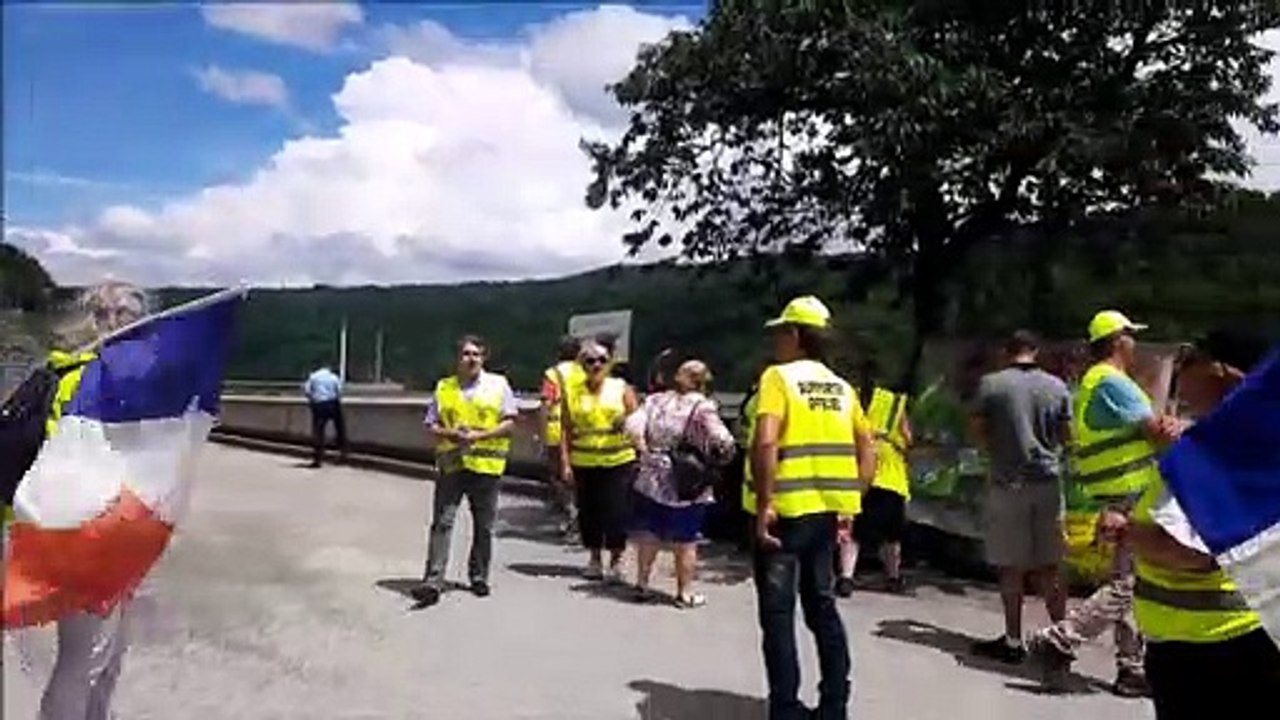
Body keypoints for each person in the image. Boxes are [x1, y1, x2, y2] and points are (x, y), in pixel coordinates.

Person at [1113, 330, 1280, 718]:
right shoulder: (1256, 443)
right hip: (1250, 635)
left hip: (1208, 645)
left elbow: (1190, 552)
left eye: (1187, 362)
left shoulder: (1216, 452)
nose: (1178, 376)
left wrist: (1125, 530)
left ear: (1222, 372)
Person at [1024, 310, 1181, 696]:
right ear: (1118, 341)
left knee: (1128, 580)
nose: (1135, 344)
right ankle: (1062, 636)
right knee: (1129, 584)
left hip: (1116, 490)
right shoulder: (1114, 383)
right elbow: (1157, 432)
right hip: (1134, 491)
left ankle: (1130, 667)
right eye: (1131, 336)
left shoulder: (1092, 382)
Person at [748, 296, 876, 720]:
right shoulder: (842, 388)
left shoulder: (778, 378)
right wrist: (851, 499)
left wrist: (765, 503)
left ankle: (785, 708)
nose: (776, 340)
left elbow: (766, 440)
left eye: (781, 332)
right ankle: (834, 705)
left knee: (779, 615)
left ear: (797, 335)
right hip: (825, 515)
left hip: (786, 512)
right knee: (822, 607)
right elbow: (867, 447)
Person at [38, 280, 149, 720]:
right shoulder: (100, 380)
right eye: (128, 317)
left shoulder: (67, 372)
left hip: (88, 534)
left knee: (100, 658)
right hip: (91, 537)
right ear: (106, 319)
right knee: (84, 661)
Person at [968, 330, 1072, 663]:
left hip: (1007, 483)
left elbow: (977, 431)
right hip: (1048, 483)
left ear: (1006, 352)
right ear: (1035, 351)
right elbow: (1067, 435)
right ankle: (1063, 639)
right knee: (1050, 566)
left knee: (1011, 567)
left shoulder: (991, 385)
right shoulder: (1057, 387)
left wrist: (998, 448)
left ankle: (1013, 641)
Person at [414, 336, 518, 607]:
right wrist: (452, 434)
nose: (471, 359)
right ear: (457, 358)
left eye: (477, 354)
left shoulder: (498, 385)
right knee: (443, 523)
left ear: (484, 358)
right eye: (466, 354)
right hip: (452, 464)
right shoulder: (444, 387)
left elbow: (509, 422)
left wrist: (479, 436)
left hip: (486, 466)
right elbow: (430, 425)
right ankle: (433, 580)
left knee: (483, 525)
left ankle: (479, 576)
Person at [624, 359, 736, 607]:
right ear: (702, 381)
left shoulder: (656, 400)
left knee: (650, 534)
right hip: (687, 480)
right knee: (686, 539)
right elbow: (723, 440)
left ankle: (642, 584)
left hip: (651, 476)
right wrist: (718, 459)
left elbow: (632, 425)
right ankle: (684, 593)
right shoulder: (703, 407)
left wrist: (644, 449)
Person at [561, 336, 639, 581]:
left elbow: (639, 421)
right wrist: (565, 463)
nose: (596, 365)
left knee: (617, 512)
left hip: (618, 462)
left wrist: (626, 422)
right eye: (590, 361)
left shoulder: (621, 388)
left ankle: (616, 561)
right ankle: (595, 559)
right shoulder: (573, 392)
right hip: (584, 463)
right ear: (581, 365)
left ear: (610, 363)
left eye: (601, 360)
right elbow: (565, 429)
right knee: (589, 513)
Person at [838, 356, 913, 595]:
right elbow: (908, 438)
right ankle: (893, 577)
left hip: (857, 469)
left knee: (853, 529)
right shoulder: (894, 402)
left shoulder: (850, 397)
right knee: (892, 534)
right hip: (890, 473)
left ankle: (846, 577)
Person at [541, 335, 583, 536]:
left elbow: (547, 403)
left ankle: (570, 513)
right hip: (583, 429)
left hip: (557, 430)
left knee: (559, 476)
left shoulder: (553, 374)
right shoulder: (588, 371)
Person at [303, 361, 347, 468]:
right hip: (333, 403)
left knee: (318, 432)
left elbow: (307, 391)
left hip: (319, 405)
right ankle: (343, 452)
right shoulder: (333, 377)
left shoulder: (313, 377)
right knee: (340, 428)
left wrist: (312, 400)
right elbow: (340, 391)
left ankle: (318, 458)